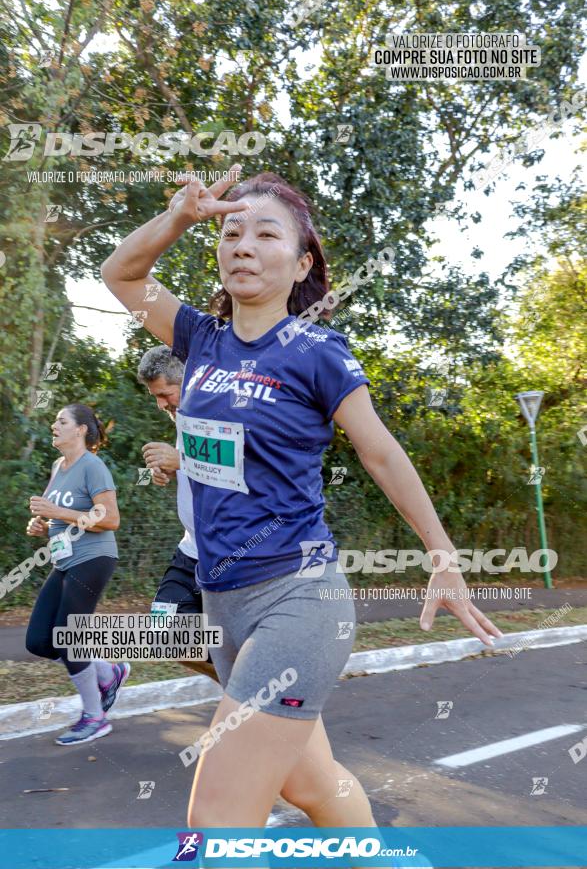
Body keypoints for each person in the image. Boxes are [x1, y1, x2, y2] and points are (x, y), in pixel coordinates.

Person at [101, 165, 503, 828]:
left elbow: (380, 451)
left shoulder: (315, 351)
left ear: (300, 263)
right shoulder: (198, 339)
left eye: (265, 233)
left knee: (215, 824)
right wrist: (178, 217)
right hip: (221, 602)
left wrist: (442, 554)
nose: (243, 245)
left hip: (297, 598)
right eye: (230, 232)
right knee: (314, 790)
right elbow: (121, 275)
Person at [25, 404, 129, 745]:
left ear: (81, 429)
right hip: (64, 561)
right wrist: (43, 524)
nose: (54, 425)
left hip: (93, 557)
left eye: (61, 421)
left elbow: (111, 519)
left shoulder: (93, 466)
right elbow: (60, 515)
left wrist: (56, 511)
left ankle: (95, 717)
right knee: (40, 640)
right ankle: (108, 671)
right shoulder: (58, 466)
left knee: (68, 637)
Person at [137, 345, 218, 683]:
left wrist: (181, 461)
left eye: (164, 394)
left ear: (185, 380)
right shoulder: (182, 417)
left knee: (231, 647)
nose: (160, 404)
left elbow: (242, 471)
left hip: (227, 556)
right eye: (155, 396)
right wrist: (172, 472)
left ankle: (250, 693)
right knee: (164, 633)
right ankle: (242, 690)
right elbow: (202, 475)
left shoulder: (218, 411)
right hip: (190, 552)